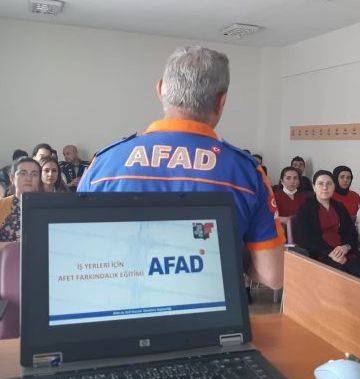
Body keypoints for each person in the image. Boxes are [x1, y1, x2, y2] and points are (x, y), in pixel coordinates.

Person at [77, 46, 284, 289]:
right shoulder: (246, 172)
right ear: (221, 101)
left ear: (160, 89)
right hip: (211, 316)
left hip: (117, 310)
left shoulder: (104, 164)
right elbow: (272, 276)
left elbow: (78, 252)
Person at [294, 170, 360, 285]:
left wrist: (346, 247)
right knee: (341, 277)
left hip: (344, 253)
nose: (325, 187)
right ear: (314, 187)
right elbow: (304, 237)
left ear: (334, 186)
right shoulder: (306, 208)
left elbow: (351, 232)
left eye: (329, 183)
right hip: (319, 255)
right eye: (320, 184)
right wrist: (330, 252)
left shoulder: (339, 207)